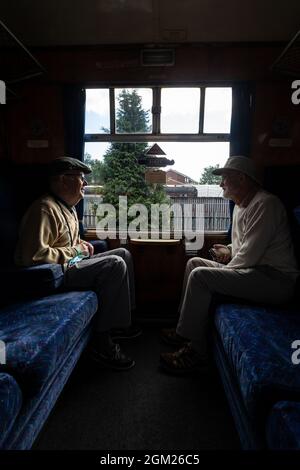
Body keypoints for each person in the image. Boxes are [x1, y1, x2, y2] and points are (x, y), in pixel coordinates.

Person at [160, 156, 299, 375]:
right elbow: (243, 246)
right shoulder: (241, 206)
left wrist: (223, 270)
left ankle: (197, 352)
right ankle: (183, 329)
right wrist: (229, 249)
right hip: (255, 271)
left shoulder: (266, 204)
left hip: (276, 280)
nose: (220, 183)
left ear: (242, 179)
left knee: (200, 276)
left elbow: (249, 255)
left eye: (225, 178)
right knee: (194, 263)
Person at [14, 156, 140, 371]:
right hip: (59, 274)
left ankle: (120, 323)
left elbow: (63, 240)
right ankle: (102, 341)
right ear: (63, 180)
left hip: (73, 263)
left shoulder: (67, 208)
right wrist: (75, 250)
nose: (85, 183)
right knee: (115, 263)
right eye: (81, 178)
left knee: (123, 254)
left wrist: (80, 243)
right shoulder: (44, 209)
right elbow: (31, 255)